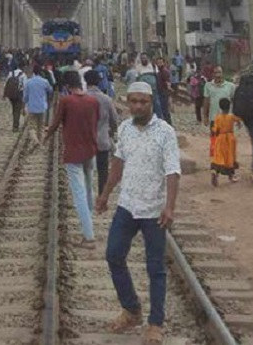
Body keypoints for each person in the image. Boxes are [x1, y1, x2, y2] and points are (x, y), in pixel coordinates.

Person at [95, 81, 181, 345]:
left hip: (154, 209)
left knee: (155, 267)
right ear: (128, 102)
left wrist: (169, 206)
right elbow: (117, 166)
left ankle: (155, 324)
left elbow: (172, 172)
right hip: (128, 205)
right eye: (133, 101)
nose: (137, 106)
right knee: (113, 255)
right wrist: (105, 194)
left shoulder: (165, 132)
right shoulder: (125, 129)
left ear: (151, 102)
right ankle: (131, 308)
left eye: (143, 102)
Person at [45, 71, 99, 249]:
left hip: (73, 152)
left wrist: (46, 137)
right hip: (90, 149)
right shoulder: (93, 101)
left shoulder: (66, 101)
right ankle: (89, 220)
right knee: (89, 187)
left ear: (68, 87)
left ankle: (89, 236)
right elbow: (96, 121)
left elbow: (55, 123)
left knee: (79, 193)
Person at [84, 70, 118, 196]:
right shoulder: (106, 99)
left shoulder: (82, 98)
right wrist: (112, 132)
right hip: (102, 140)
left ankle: (88, 196)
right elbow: (114, 119)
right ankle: (102, 196)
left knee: (86, 170)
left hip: (85, 141)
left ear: (86, 81)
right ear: (99, 82)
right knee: (103, 170)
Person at [210, 98, 240, 186]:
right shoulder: (231, 117)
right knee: (230, 157)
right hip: (230, 138)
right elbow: (239, 119)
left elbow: (215, 130)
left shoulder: (218, 117)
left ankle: (216, 171)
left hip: (220, 138)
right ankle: (231, 176)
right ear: (229, 106)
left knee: (220, 156)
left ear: (220, 107)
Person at [23, 65, 54, 146]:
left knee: (31, 127)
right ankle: (40, 142)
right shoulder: (44, 81)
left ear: (33, 72)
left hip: (32, 107)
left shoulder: (28, 82)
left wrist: (24, 104)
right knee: (41, 127)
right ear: (41, 72)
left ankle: (35, 141)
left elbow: (25, 96)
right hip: (42, 107)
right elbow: (50, 90)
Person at [154, 57, 172, 124]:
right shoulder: (158, 72)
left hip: (164, 92)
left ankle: (168, 124)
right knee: (161, 109)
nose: (159, 64)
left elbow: (168, 82)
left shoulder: (165, 71)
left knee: (165, 110)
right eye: (158, 63)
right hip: (159, 92)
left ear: (163, 63)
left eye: (161, 62)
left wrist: (169, 92)